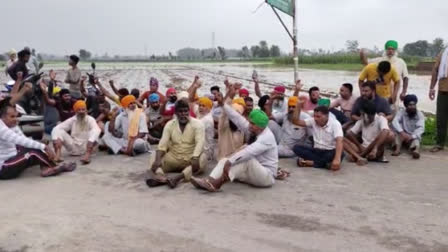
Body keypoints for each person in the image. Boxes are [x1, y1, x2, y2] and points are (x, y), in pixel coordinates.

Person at [190, 109, 278, 192]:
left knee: (246, 159)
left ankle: (217, 184)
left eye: (252, 124)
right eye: (250, 122)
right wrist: (224, 104)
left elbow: (249, 152)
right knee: (224, 160)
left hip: (266, 177)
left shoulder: (266, 137)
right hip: (253, 173)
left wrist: (230, 162)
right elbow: (238, 118)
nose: (249, 125)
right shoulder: (257, 131)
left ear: (260, 126)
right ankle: (209, 180)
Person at [0, 98, 76, 179]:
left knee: (34, 148)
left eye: (16, 116)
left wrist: (41, 146)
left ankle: (46, 167)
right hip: (3, 168)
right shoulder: (1, 128)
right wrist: (44, 147)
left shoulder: (12, 125)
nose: (16, 119)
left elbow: (24, 139)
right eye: (12, 117)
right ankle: (52, 167)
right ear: (2, 117)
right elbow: (20, 140)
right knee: (33, 152)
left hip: (12, 156)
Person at [146, 99, 206, 189]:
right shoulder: (170, 124)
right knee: (154, 155)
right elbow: (163, 143)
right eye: (180, 111)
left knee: (203, 158)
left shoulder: (198, 124)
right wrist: (158, 160)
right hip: (173, 158)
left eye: (185, 111)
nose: (183, 114)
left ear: (188, 111)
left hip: (190, 159)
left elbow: (200, 142)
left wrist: (195, 157)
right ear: (176, 113)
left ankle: (178, 178)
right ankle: (160, 176)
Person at [292, 104, 344, 171]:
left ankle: (311, 163)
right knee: (296, 148)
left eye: (318, 116)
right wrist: (298, 106)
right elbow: (295, 121)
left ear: (326, 116)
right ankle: (324, 164)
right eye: (314, 116)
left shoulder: (335, 124)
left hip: (329, 152)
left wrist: (337, 159)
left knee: (339, 154)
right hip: (316, 151)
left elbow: (339, 141)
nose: (316, 119)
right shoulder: (313, 121)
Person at [344, 100, 394, 165]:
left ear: (369, 114)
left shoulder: (381, 119)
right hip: (362, 148)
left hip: (374, 151)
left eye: (363, 113)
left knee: (388, 134)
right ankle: (360, 157)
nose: (361, 115)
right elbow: (349, 133)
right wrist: (359, 146)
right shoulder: (362, 120)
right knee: (341, 139)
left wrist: (375, 148)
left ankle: (360, 156)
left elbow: (386, 131)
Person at [392, 95, 425, 159]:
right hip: (403, 135)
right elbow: (394, 122)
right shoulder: (401, 112)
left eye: (414, 105)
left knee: (417, 139)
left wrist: (412, 136)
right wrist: (402, 132)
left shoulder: (419, 114)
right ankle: (397, 149)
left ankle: (416, 151)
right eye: (410, 105)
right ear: (406, 106)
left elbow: (421, 128)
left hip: (413, 135)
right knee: (397, 133)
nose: (412, 107)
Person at [429, 47, 448, 152]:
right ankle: (440, 143)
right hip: (443, 91)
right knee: (441, 119)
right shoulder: (444, 52)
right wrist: (432, 88)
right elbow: (435, 70)